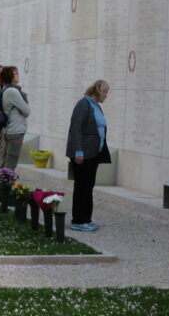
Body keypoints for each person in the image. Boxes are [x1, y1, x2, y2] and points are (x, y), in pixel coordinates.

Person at [66, 79, 111, 233]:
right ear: (97, 91)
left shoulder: (95, 106)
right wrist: (78, 151)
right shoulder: (83, 104)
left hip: (93, 154)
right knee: (81, 187)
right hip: (82, 154)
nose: (106, 95)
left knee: (88, 187)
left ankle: (86, 219)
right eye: (105, 92)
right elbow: (76, 129)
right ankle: (77, 220)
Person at [0, 65, 29, 172]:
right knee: (10, 164)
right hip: (15, 131)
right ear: (10, 76)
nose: (18, 75)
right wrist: (21, 109)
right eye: (16, 73)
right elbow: (27, 111)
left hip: (9, 130)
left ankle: (1, 188)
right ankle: (5, 187)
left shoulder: (6, 89)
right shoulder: (13, 91)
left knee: (5, 163)